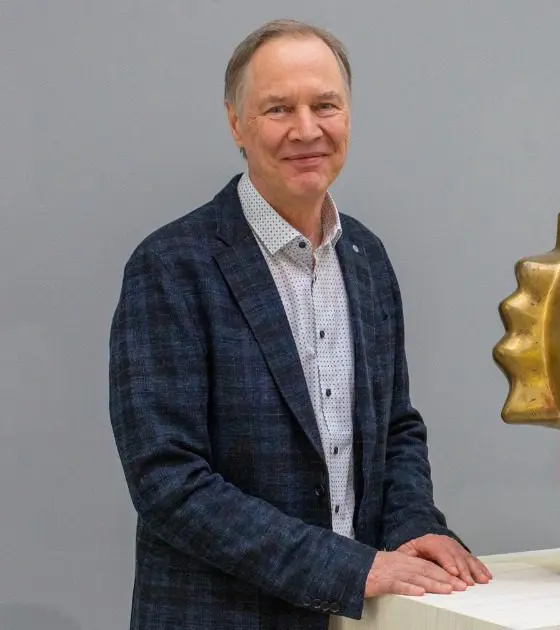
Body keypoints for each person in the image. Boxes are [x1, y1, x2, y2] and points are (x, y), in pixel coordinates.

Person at [107, 19, 490, 629]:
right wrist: (348, 569)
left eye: (325, 105)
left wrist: (414, 525)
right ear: (237, 123)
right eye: (279, 108)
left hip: (358, 618)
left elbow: (395, 428)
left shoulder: (367, 257)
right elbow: (168, 482)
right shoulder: (170, 266)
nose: (307, 129)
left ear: (348, 115)